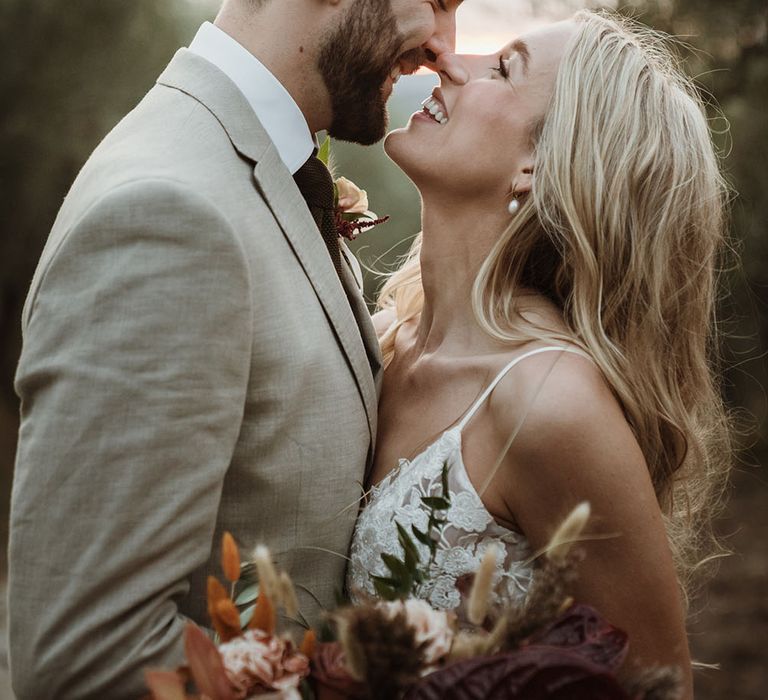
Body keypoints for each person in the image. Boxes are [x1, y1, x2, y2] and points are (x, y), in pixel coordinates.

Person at [7, 0, 462, 697]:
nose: (444, 46)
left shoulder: (255, 167)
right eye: (437, 2)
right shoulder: (170, 211)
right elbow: (86, 659)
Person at [347, 11, 732, 698]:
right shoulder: (382, 340)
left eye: (503, 69)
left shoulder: (549, 402)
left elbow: (658, 685)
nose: (451, 64)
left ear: (539, 163)